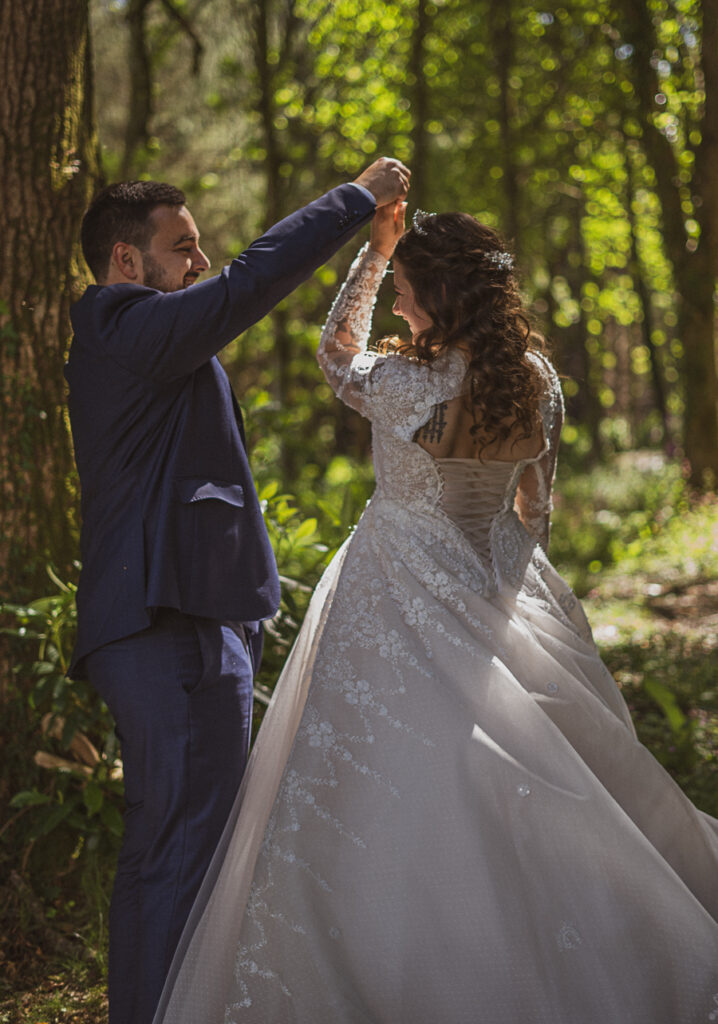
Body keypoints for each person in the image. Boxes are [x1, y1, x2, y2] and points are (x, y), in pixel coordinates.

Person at [153, 203, 718, 1024]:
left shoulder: (401, 384)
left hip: (390, 595)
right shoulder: (537, 380)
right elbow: (534, 513)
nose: (399, 308)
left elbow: (333, 351)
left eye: (409, 291)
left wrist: (372, 254)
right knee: (518, 780)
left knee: (382, 782)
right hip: (499, 594)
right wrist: (495, 588)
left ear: (440, 295)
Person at [63, 157, 410, 1024]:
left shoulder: (150, 340)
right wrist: (355, 200)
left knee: (191, 839)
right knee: (180, 841)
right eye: (183, 249)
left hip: (197, 613)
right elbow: (249, 283)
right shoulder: (122, 323)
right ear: (125, 261)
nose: (202, 263)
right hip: (161, 622)